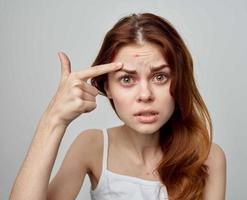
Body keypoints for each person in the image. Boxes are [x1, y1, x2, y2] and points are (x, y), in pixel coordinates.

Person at [9, 13, 226, 200]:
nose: (145, 95)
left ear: (179, 81)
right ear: (107, 87)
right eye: (127, 79)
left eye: (160, 77)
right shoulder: (91, 145)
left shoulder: (208, 157)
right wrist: (53, 119)